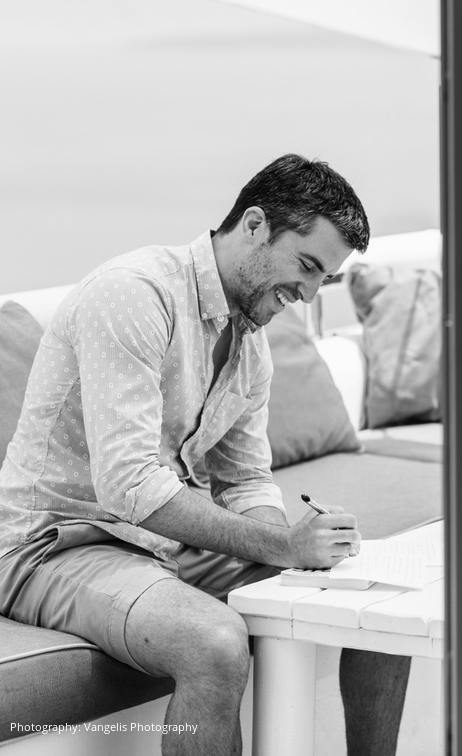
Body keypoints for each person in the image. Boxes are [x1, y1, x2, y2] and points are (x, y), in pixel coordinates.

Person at [0, 154, 410, 755]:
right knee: (215, 643)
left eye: (325, 279)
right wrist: (281, 547)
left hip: (161, 542)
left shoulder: (249, 339)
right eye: (307, 266)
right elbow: (129, 485)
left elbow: (244, 479)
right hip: (55, 542)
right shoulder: (134, 295)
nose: (308, 294)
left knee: (375, 606)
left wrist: (293, 554)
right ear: (255, 225)